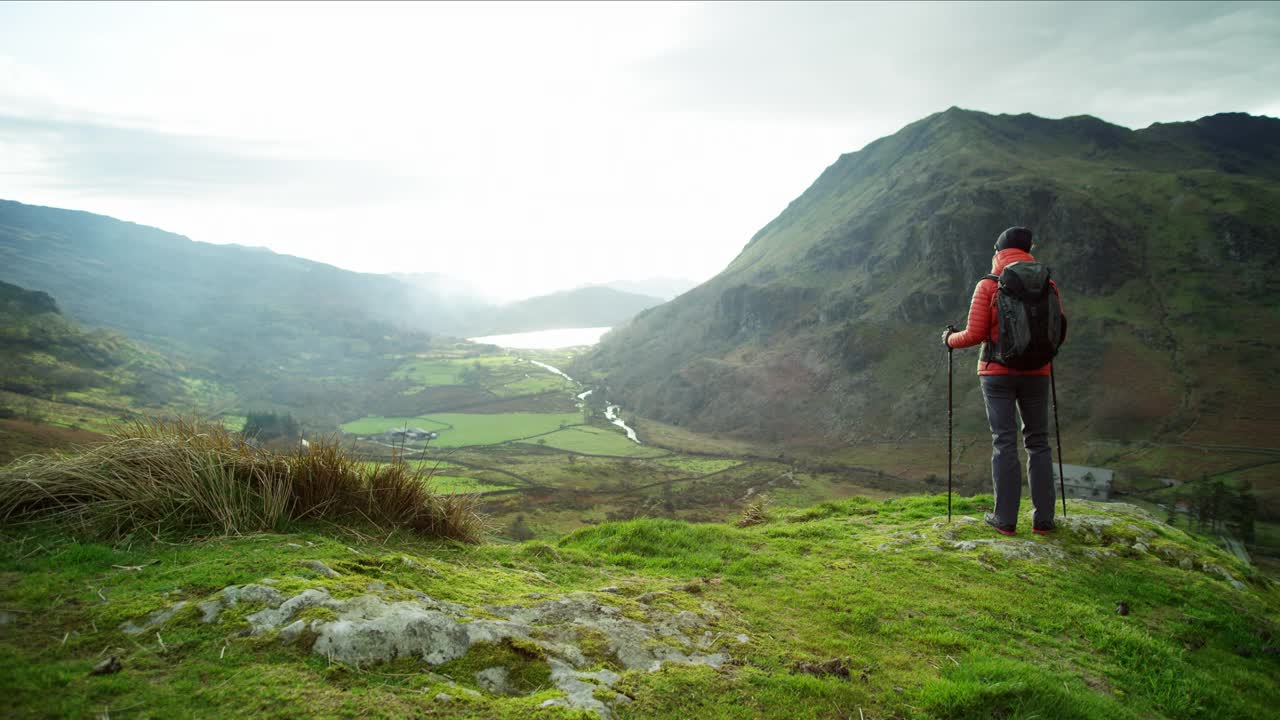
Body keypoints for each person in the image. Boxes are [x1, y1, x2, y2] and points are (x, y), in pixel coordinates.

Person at [943, 226, 1064, 536]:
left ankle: (1005, 519)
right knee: (1038, 442)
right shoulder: (1047, 283)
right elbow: (1058, 328)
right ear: (1028, 250)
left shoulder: (989, 285)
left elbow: (974, 335)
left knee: (1004, 440)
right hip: (1038, 372)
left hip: (997, 373)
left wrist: (948, 339)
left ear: (998, 252)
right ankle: (1044, 519)